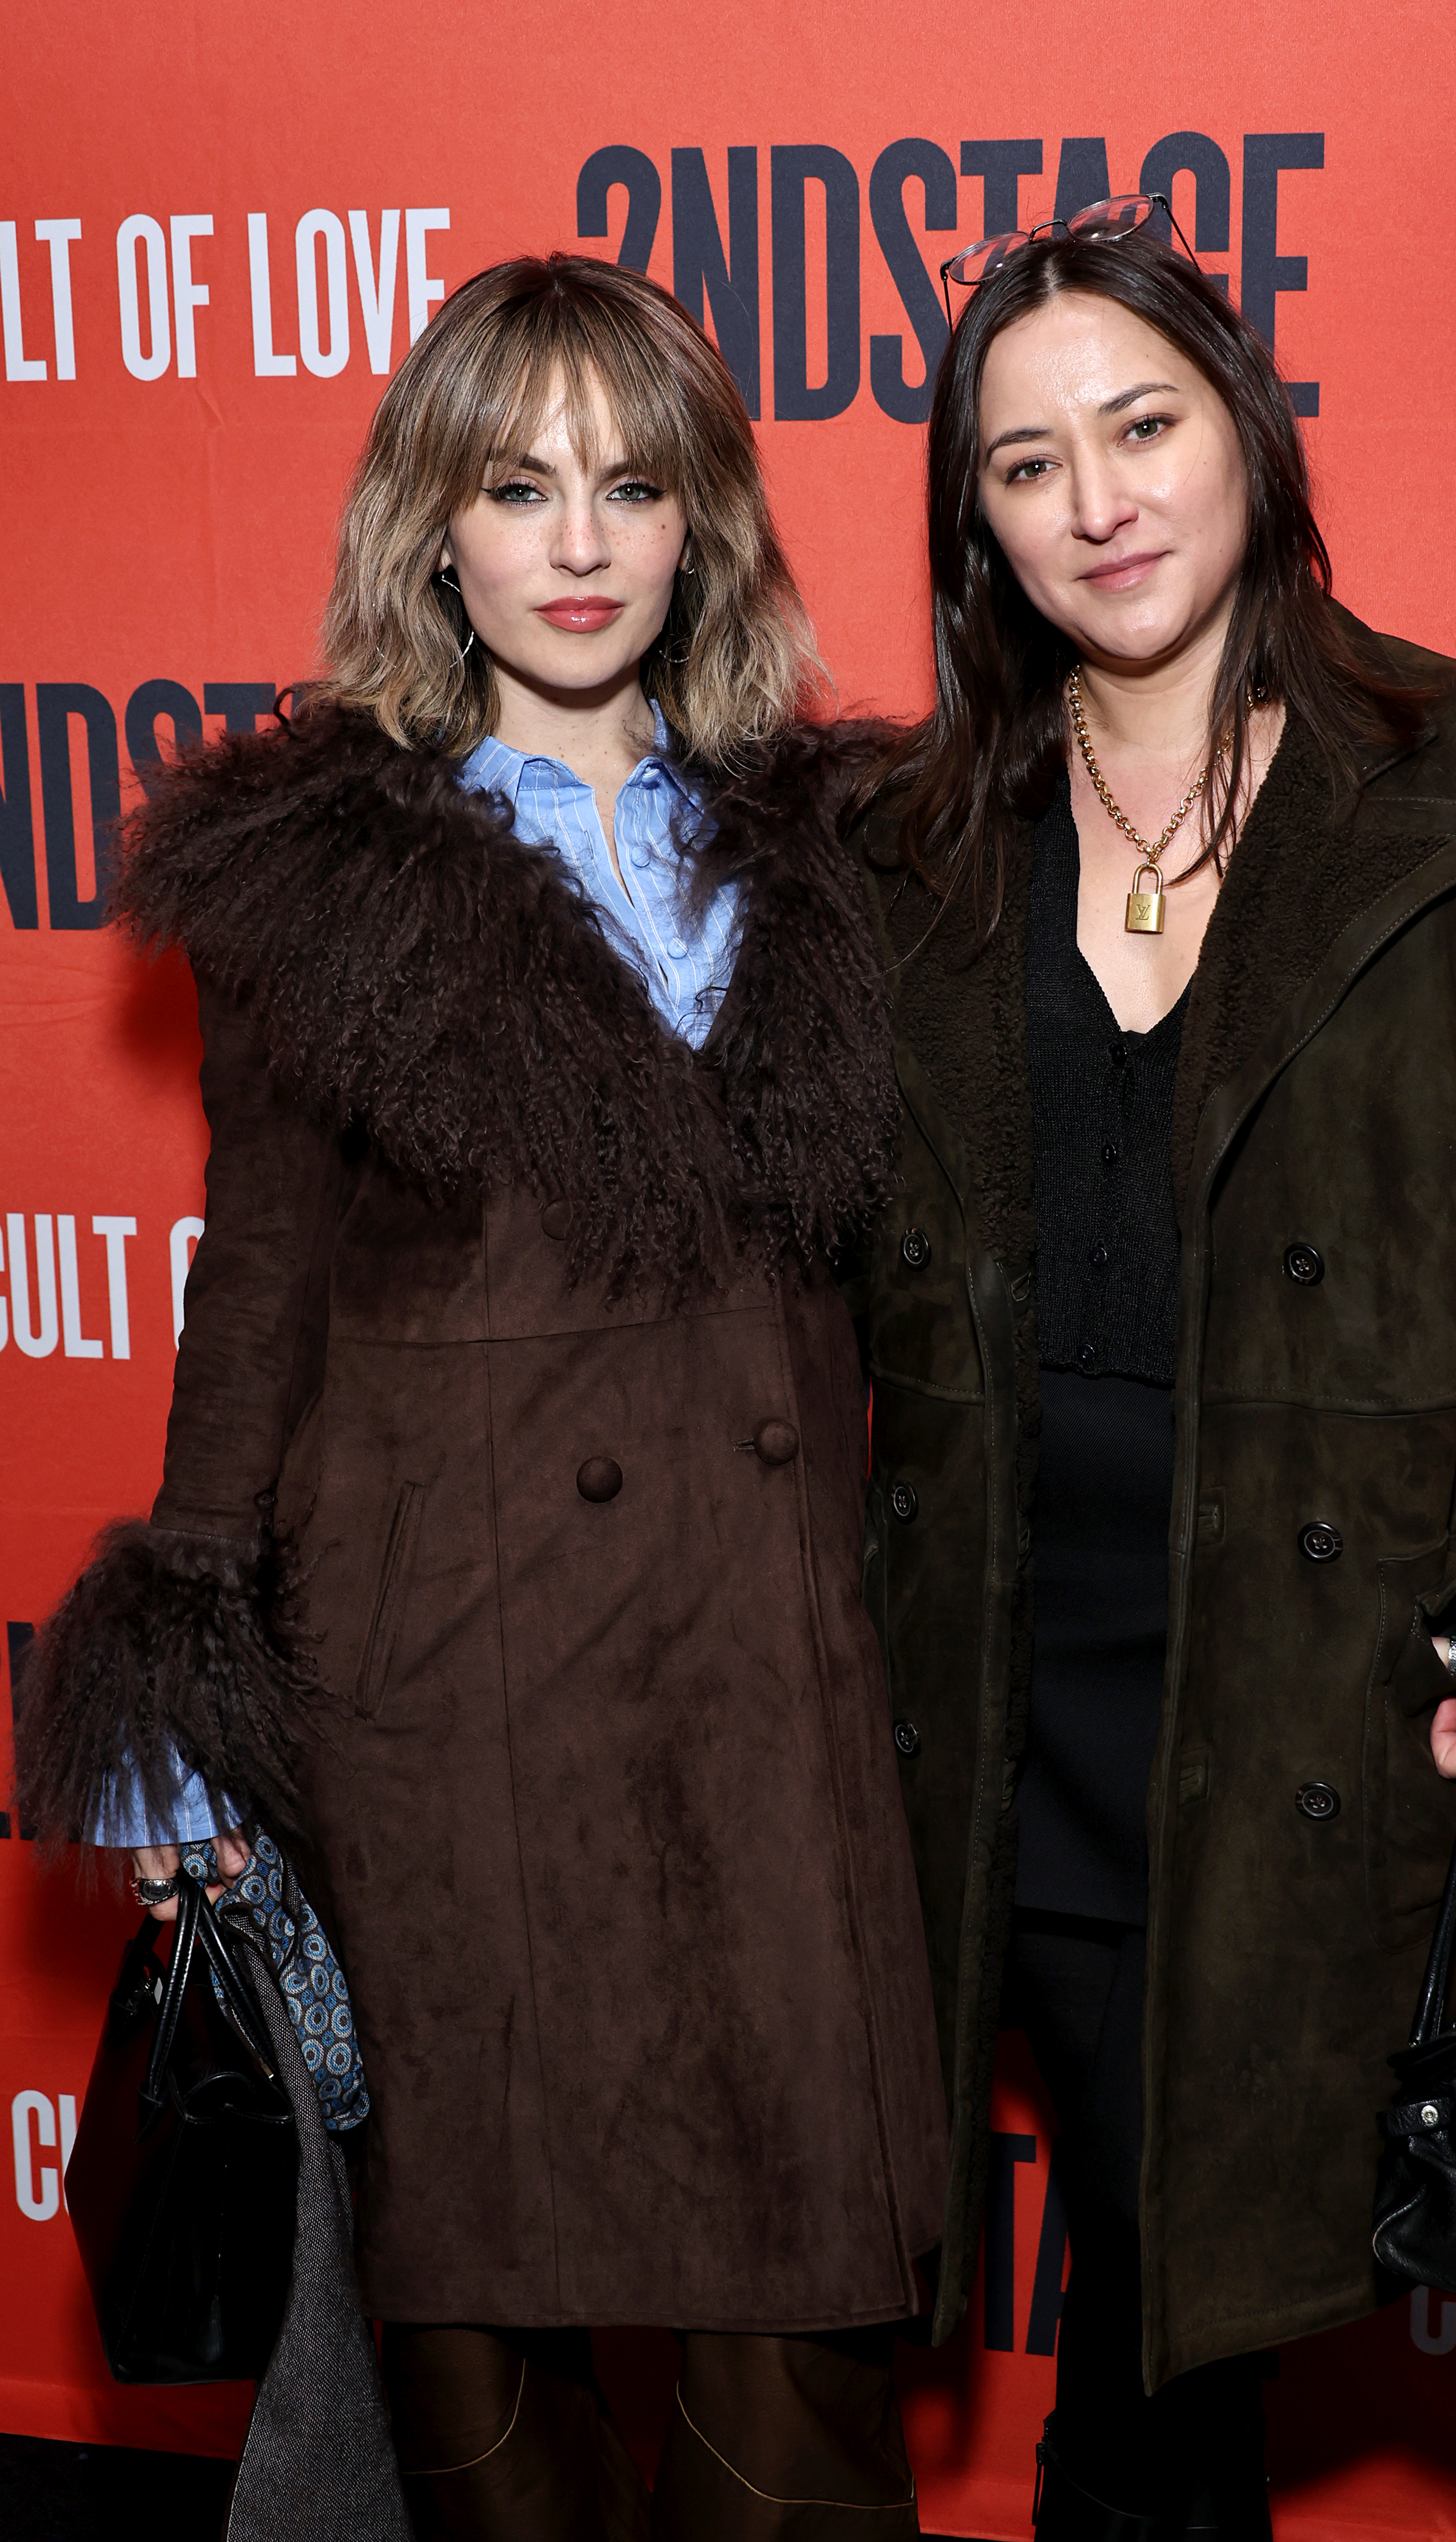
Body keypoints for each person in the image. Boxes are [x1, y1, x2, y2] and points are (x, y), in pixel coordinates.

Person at [16, 252, 949, 2542]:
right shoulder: (331, 884)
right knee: (481, 2406)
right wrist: (182, 1693)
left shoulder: (838, 857)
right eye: (518, 486)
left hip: (763, 1703)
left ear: (702, 522)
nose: (581, 541)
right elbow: (258, 1282)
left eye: (634, 484)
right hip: (454, 1696)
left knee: (794, 2406)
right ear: (435, 527)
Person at [846, 200, 1456, 2539]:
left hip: (1283, 1686)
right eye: (1026, 464)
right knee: (853, 2286)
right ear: (977, 526)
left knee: (1164, 2323)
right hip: (959, 1667)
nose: (1097, 499)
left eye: (1142, 425)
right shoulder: (903, 840)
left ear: (1246, 435)